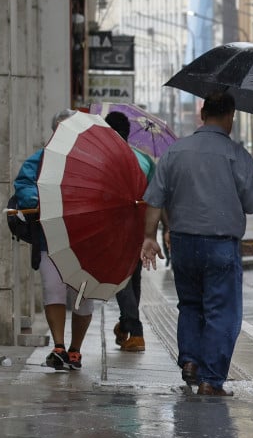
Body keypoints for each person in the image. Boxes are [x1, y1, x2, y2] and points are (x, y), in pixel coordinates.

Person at [139, 92, 253, 396]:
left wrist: (149, 237)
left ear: (202, 114)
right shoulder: (237, 154)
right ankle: (211, 379)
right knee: (222, 312)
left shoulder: (175, 152)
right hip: (221, 245)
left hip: (182, 244)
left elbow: (154, 199)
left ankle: (191, 361)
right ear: (230, 117)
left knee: (191, 305)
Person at [14, 108, 94, 371]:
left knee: (83, 295)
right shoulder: (39, 160)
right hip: (51, 237)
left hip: (85, 240)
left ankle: (75, 350)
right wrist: (38, 200)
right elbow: (25, 187)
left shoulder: (91, 163)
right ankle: (59, 346)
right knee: (53, 289)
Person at [104, 111, 159, 352]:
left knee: (121, 277)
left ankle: (135, 331)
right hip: (139, 227)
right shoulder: (144, 160)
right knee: (133, 277)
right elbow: (155, 196)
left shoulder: (106, 160)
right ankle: (125, 324)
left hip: (115, 227)